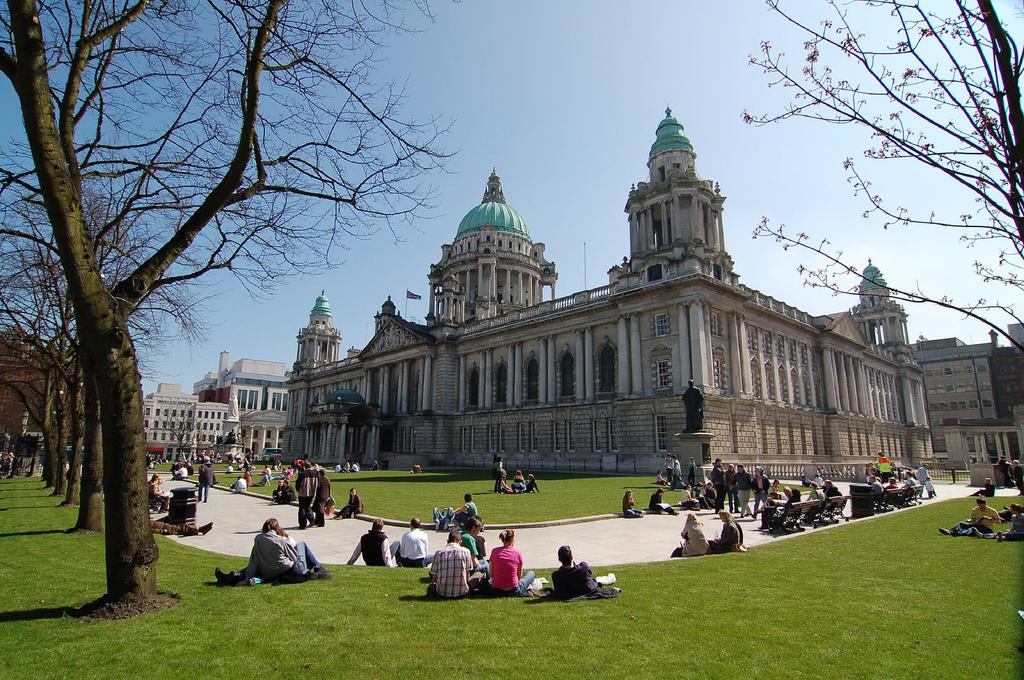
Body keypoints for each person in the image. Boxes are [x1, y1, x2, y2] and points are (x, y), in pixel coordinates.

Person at [215, 518, 330, 585]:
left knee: (252, 567)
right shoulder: (280, 541)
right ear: (276, 529)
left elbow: (254, 558)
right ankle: (318, 567)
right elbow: (295, 557)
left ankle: (232, 576)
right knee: (301, 545)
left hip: (267, 570)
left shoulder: (258, 538)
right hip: (284, 569)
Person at [551, 546, 619, 600]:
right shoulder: (584, 567)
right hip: (586, 588)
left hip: (575, 590)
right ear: (571, 557)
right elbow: (591, 581)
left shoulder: (556, 576)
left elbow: (560, 592)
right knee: (596, 579)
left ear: (559, 559)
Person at [489, 529, 536, 596]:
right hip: (513, 590)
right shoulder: (517, 553)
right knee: (531, 573)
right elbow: (519, 576)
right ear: (512, 539)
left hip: (496, 589)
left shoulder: (494, 551)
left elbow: (491, 574)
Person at [429, 529, 474, 599]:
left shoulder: (439, 553)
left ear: (447, 541)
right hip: (462, 592)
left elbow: (434, 578)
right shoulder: (466, 552)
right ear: (460, 541)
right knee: (478, 575)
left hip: (441, 592)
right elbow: (468, 574)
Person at [295, 462, 318, 530]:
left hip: (303, 493)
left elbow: (298, 484)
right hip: (311, 493)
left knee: (302, 508)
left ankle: (302, 524)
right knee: (308, 506)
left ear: (305, 467)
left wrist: (298, 490)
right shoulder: (315, 474)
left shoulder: (303, 474)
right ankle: (312, 520)